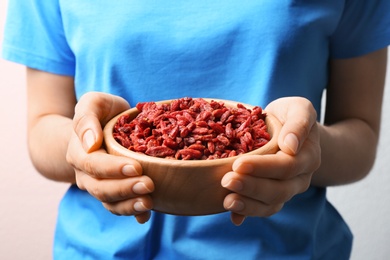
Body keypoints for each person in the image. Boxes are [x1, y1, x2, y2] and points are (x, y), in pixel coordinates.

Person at [2, 1, 390, 259]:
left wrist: (305, 147)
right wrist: (87, 147)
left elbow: (360, 131)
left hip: (285, 249)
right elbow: (43, 126)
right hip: (101, 248)